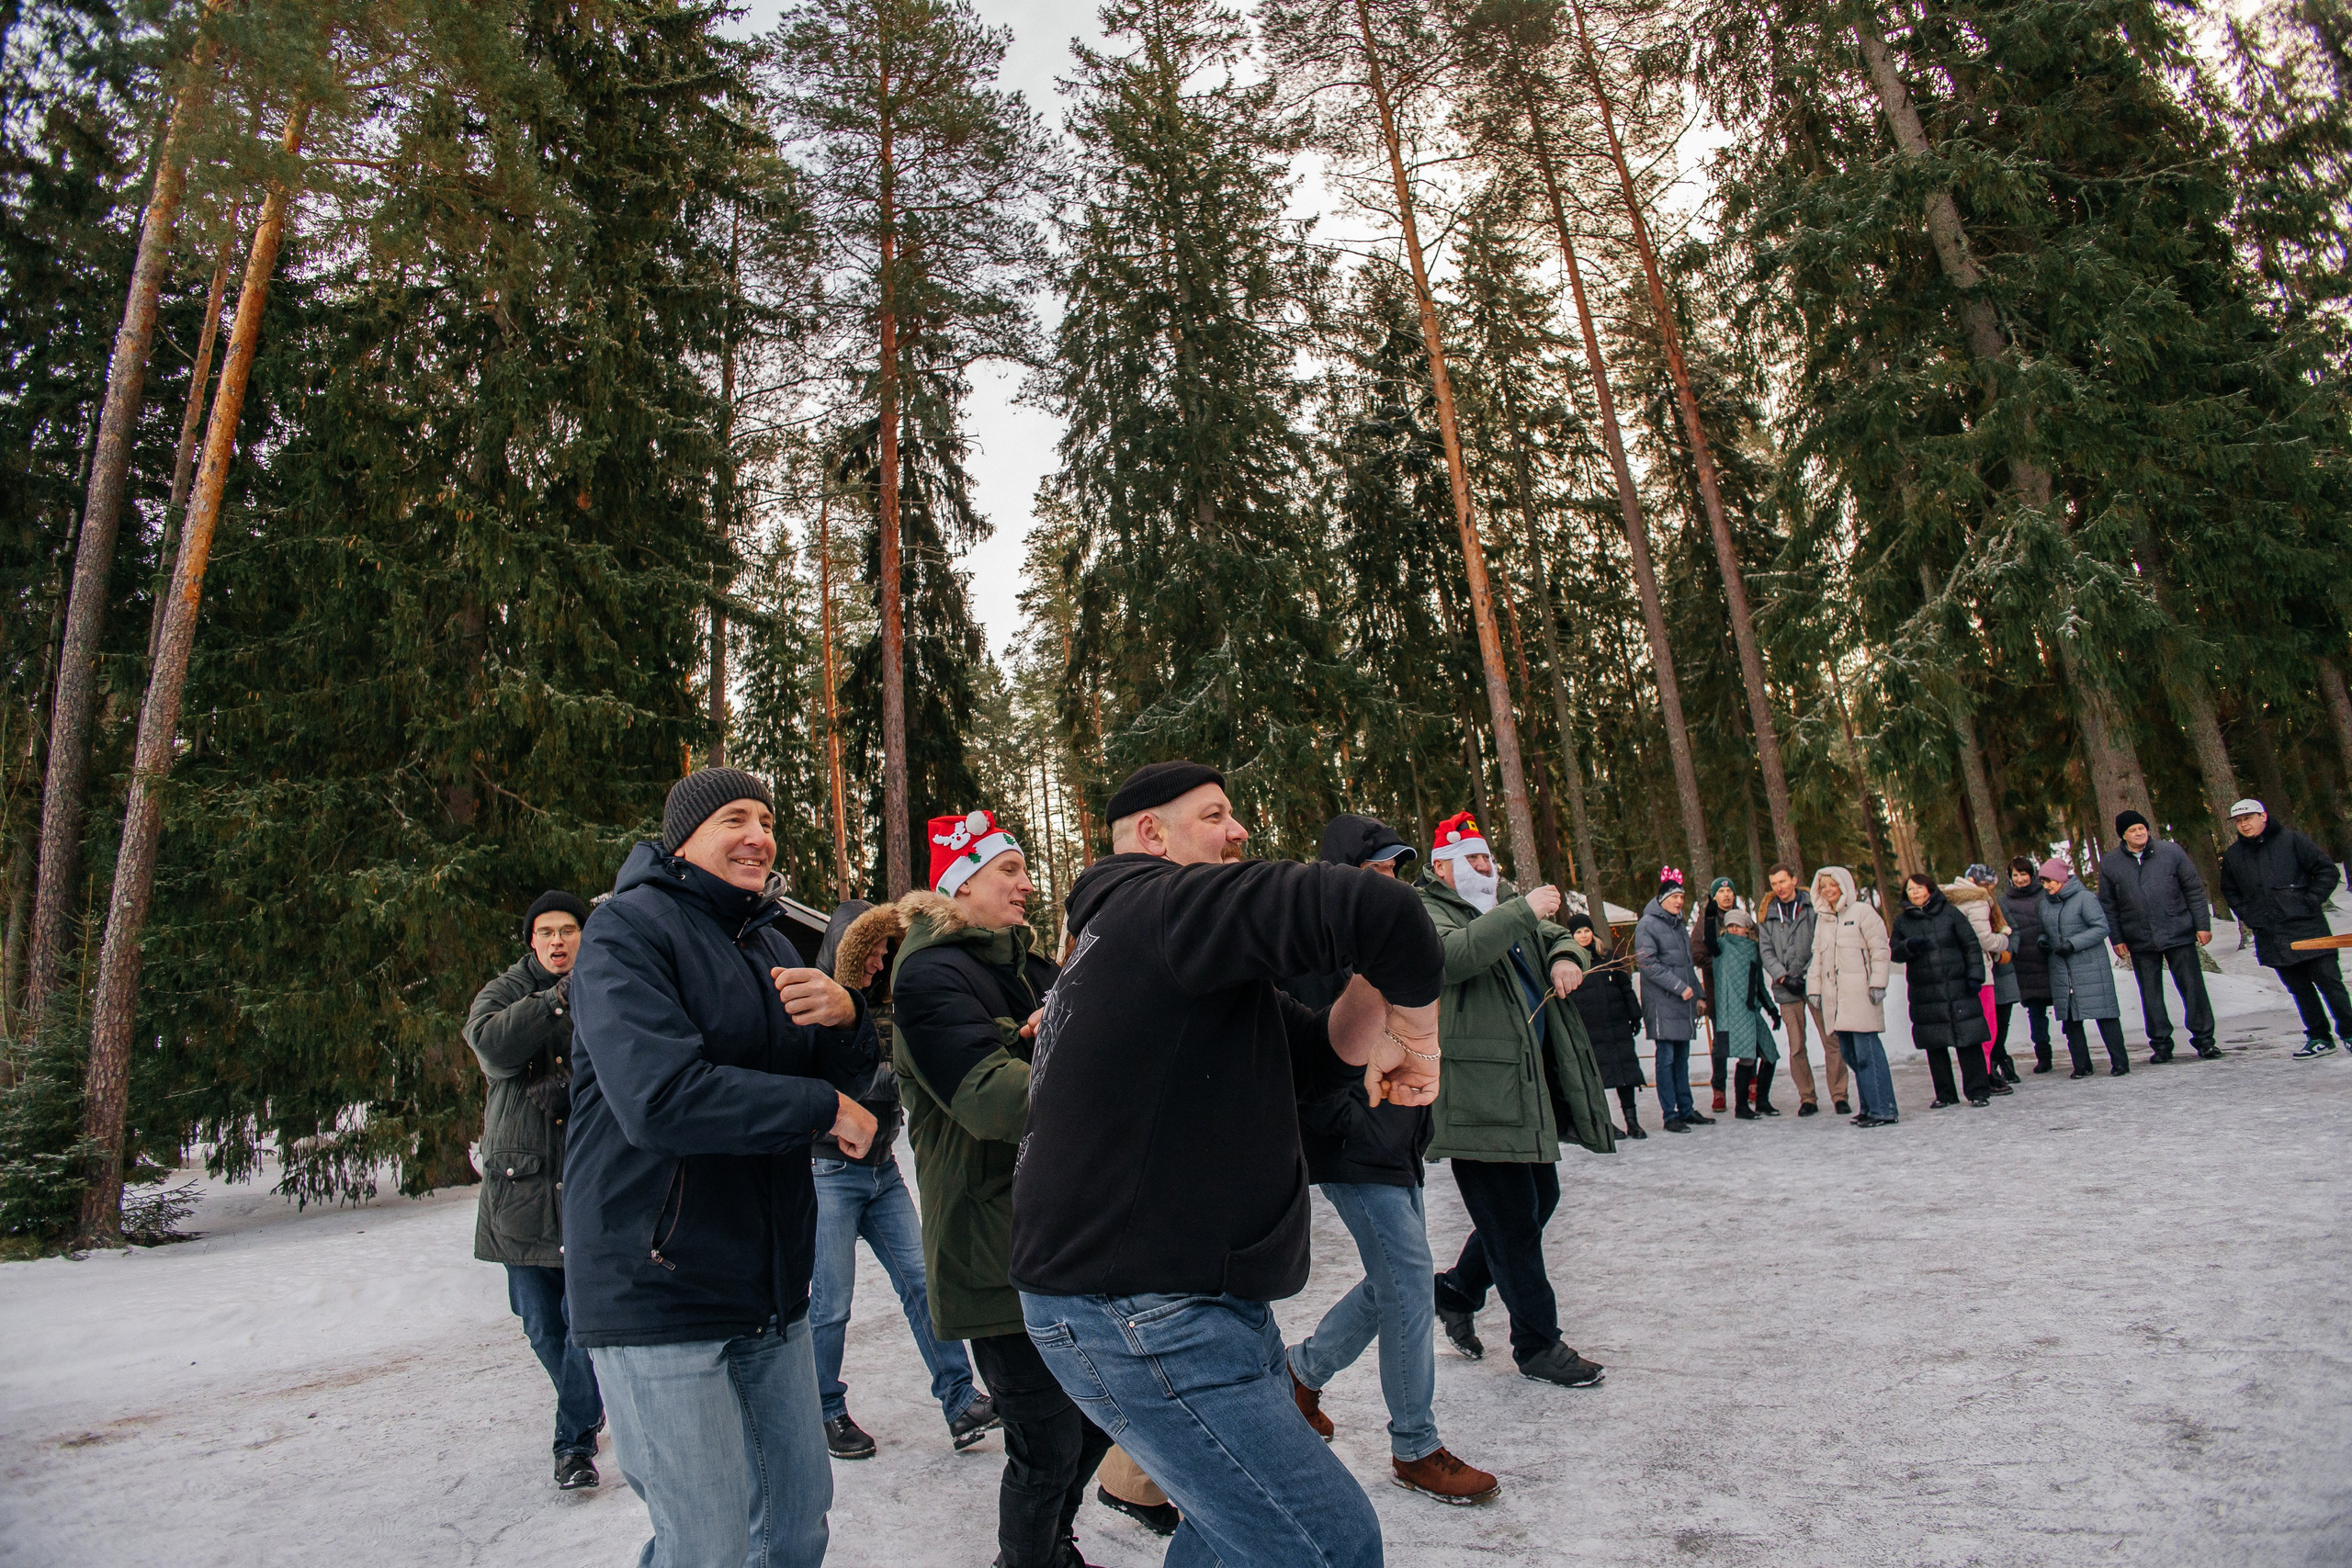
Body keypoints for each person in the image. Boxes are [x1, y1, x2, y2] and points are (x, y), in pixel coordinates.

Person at [1010, 761, 1445, 1568]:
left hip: (1185, 1295)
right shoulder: (1155, 903)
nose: (1239, 829)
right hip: (1139, 1308)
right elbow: (1376, 905)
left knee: (1229, 1529)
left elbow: (1313, 1060)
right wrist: (1420, 1035)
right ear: (1152, 834)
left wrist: (1377, 997)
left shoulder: (1163, 948)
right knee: (1330, 1543)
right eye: (1215, 814)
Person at [567, 767, 878, 1568]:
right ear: (683, 839)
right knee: (705, 1548)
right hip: (658, 1285)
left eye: (768, 819)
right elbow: (660, 1097)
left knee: (793, 1528)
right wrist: (818, 1107)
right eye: (735, 817)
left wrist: (848, 1018)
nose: (759, 835)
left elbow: (837, 1074)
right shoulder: (625, 931)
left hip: (769, 1286)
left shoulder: (770, 940)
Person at [852, 809, 1112, 1568]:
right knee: (1045, 1438)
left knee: (1098, 1414)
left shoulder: (1028, 967)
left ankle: (1050, 1545)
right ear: (960, 881)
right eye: (1011, 869)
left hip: (1063, 1234)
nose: (1029, 884)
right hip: (990, 1248)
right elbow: (996, 1101)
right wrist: (1078, 1059)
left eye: (1026, 869)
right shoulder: (930, 975)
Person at [1281, 813, 1498, 1505]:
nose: (1390, 883)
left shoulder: (1386, 942)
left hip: (1396, 1140)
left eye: (1395, 870)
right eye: (1377, 870)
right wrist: (1352, 1122)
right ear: (1344, 872)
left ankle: (1301, 1372)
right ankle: (1415, 1444)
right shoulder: (1316, 949)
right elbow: (1309, 1056)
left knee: (1392, 1280)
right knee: (1407, 1278)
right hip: (1352, 1146)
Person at [1420, 810, 1615, 1393]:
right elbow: (1456, 957)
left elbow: (1554, 933)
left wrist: (1563, 956)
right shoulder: (1428, 911)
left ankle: (1456, 1290)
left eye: (1488, 858)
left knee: (1537, 1200)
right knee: (1511, 1224)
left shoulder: (1502, 900)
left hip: (1525, 1088)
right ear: (1443, 868)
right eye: (1475, 861)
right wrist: (1524, 910)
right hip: (1476, 1093)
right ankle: (1537, 1344)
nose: (1488, 867)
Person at [805, 897, 994, 1462]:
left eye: (888, 949)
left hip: (882, 1171)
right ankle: (824, 1410)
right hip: (827, 1172)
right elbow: (845, 1085)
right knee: (831, 1303)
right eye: (873, 949)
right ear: (848, 947)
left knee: (922, 1283)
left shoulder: (891, 1005)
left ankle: (960, 1399)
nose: (881, 959)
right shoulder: (817, 1003)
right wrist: (894, 1084)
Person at [465, 889, 605, 1491]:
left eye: (567, 930)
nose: (556, 940)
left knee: (580, 1323)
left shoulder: (604, 986)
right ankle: (588, 1404)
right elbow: (491, 1046)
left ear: (581, 936)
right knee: (541, 1324)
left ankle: (572, 1444)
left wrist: (577, 1090)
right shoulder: (504, 991)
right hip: (519, 1188)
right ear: (531, 940)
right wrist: (554, 1003)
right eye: (545, 931)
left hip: (583, 1183)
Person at [2219, 799, 2352, 1055]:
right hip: (2271, 934)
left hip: (2309, 929)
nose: (2244, 824)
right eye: (2239, 821)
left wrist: (2310, 901)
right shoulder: (2234, 855)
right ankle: (2318, 1037)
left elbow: (2326, 871)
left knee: (2330, 984)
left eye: (2248, 818)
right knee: (2300, 990)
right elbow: (2230, 891)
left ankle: (2349, 1031)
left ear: (2263, 817)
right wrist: (2249, 915)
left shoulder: (2292, 841)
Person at [2097, 810, 2218, 1063]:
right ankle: (2161, 1044)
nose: (2139, 833)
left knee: (2193, 988)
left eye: (2142, 828)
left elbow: (2193, 889)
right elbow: (2108, 904)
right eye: (2133, 830)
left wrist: (2202, 925)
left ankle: (2205, 1041)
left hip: (2178, 931)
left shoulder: (2170, 852)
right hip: (2139, 938)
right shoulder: (2110, 862)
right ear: (2123, 835)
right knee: (2150, 994)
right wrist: (2117, 938)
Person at [1892, 873, 1996, 1108]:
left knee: (1968, 1041)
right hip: (1926, 993)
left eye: (1919, 888)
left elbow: (1971, 945)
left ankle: (1978, 1091)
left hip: (1958, 988)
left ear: (1930, 889)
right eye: (1910, 889)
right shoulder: (1902, 922)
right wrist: (1907, 947)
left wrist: (1975, 976)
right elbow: (1895, 952)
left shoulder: (1951, 914)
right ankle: (1945, 1094)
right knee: (1935, 1044)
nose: (1915, 892)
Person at [1806, 867, 1896, 1126]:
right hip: (1836, 1000)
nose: (1828, 890)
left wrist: (1878, 983)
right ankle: (1869, 1106)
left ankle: (1884, 1108)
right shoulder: (1823, 920)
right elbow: (1818, 956)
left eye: (1832, 884)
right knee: (1850, 1054)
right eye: (1823, 886)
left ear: (1844, 885)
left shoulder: (1862, 913)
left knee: (1868, 1053)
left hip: (1860, 995)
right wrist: (1814, 989)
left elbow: (1879, 949)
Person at [1759, 863, 1843, 1116]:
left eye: (1783, 882)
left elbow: (1822, 942)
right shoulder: (1767, 913)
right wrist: (1783, 978)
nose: (1779, 888)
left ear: (1794, 880)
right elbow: (1766, 950)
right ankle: (1807, 1097)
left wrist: (1808, 975)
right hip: (1786, 989)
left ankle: (1839, 1095)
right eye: (1774, 884)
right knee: (1796, 1046)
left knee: (1831, 1040)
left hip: (1815, 983)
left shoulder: (1813, 907)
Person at [2037, 858, 2129, 1077]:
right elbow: (2045, 929)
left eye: (2049, 881)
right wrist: (2043, 940)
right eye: (2043, 882)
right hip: (2061, 968)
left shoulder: (2085, 898)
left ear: (2061, 878)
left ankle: (2120, 1061)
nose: (2046, 886)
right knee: (2070, 1021)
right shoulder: (2045, 904)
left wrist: (2073, 944)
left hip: (2090, 966)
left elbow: (2100, 928)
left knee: (2105, 1015)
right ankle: (2081, 1064)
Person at [1634, 869, 1710, 1132]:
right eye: (1675, 897)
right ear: (1662, 899)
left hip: (1682, 1002)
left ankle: (1686, 1109)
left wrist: (1698, 994)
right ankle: (1670, 1114)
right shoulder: (1647, 924)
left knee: (1681, 1059)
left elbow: (1687, 966)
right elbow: (1647, 963)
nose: (1680, 902)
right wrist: (1679, 987)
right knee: (1665, 1059)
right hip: (1663, 1003)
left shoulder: (1678, 926)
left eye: (1682, 897)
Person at [1565, 913, 1647, 1138]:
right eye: (1578, 932)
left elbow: (1626, 989)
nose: (1584, 935)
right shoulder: (1570, 963)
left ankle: (1633, 1122)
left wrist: (1634, 1015)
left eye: (1586, 930)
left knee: (1626, 1075)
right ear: (1571, 936)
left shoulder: (1609, 958)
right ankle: (1604, 1124)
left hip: (1617, 1026)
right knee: (1597, 1078)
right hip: (1590, 1030)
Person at [1713, 907, 1782, 1118]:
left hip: (1752, 1011)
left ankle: (1762, 1101)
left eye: (1738, 926)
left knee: (1770, 1055)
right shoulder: (1722, 947)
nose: (1733, 929)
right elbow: (1709, 941)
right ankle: (1741, 1107)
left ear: (1747, 929)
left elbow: (1758, 984)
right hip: (1735, 1013)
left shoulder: (1754, 950)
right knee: (1747, 1060)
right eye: (1730, 926)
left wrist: (1772, 1010)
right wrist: (1708, 917)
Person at [1960, 864, 2023, 1084]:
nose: (1987, 889)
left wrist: (2008, 950)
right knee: (1985, 1022)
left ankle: (1999, 1058)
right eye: (1983, 884)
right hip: (1980, 971)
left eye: (1989, 885)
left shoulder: (1997, 904)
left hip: (2001, 971)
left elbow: (2013, 930)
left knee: (2000, 1021)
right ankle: (1991, 1065)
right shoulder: (1963, 904)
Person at [1692, 877, 1748, 1112]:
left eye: (1729, 891)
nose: (1726, 895)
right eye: (1721, 891)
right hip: (1719, 991)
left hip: (1744, 991)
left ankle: (1750, 1085)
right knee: (1722, 1043)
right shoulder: (1707, 921)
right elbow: (1696, 953)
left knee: (1748, 1037)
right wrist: (1721, 965)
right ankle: (1719, 1090)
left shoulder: (1743, 918)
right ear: (1713, 896)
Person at [2000, 857, 2058, 1071]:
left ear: (2032, 875)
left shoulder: (2046, 894)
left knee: (2065, 1011)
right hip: (2025, 965)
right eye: (2015, 875)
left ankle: (2078, 1053)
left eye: (2023, 874)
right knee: (2036, 1014)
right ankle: (2043, 1056)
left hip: (2050, 959)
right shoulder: (2004, 902)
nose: (2020, 879)